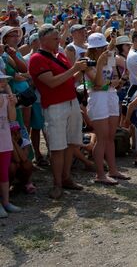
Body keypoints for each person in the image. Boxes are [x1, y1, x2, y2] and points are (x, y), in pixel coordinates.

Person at [29, 24, 88, 199]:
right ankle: (57, 183)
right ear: (43, 40)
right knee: (57, 147)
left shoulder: (60, 56)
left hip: (70, 102)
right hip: (55, 106)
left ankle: (66, 177)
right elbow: (51, 82)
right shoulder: (37, 59)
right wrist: (74, 70)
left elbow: (69, 79)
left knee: (71, 143)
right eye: (55, 38)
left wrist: (81, 70)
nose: (59, 41)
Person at [83, 33, 129, 185]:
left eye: (104, 46)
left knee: (110, 136)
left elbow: (110, 82)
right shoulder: (87, 62)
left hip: (110, 96)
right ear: (93, 49)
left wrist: (111, 82)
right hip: (97, 99)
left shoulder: (108, 57)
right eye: (100, 48)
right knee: (101, 137)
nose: (103, 49)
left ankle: (113, 170)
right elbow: (97, 83)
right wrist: (100, 65)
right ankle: (100, 174)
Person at [0, 76, 19, 218]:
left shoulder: (6, 98)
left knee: (4, 173)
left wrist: (12, 104)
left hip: (4, 141)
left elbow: (12, 119)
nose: (3, 83)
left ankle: (6, 202)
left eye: (4, 80)